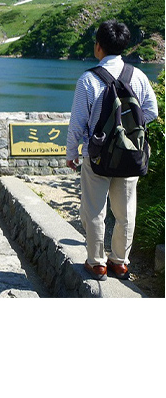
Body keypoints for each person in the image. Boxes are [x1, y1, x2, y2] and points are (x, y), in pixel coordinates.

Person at [66, 20, 158, 281]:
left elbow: (77, 123)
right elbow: (151, 111)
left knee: (94, 210)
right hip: (130, 153)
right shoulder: (137, 76)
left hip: (96, 156)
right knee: (126, 211)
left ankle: (97, 264)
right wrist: (127, 129)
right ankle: (119, 263)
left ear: (98, 47)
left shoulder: (88, 80)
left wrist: (72, 153)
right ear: (124, 46)